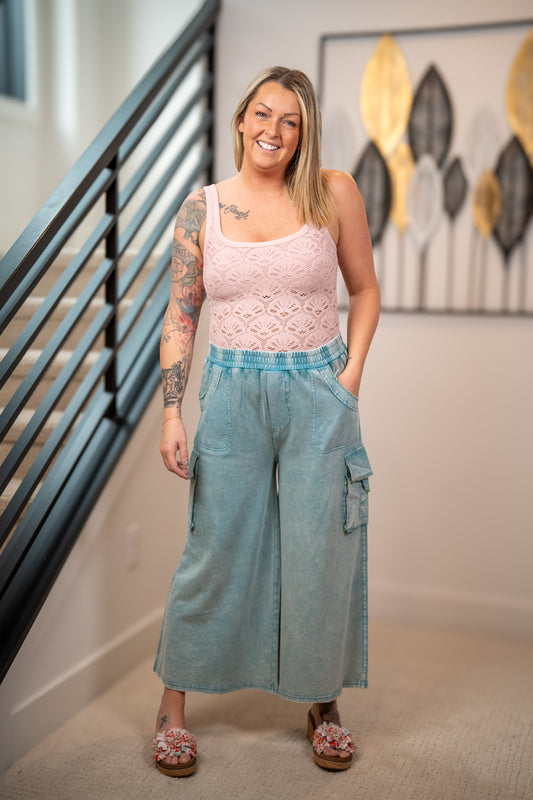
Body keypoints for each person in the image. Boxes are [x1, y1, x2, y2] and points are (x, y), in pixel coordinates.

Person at [151, 66, 380, 777]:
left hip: (317, 390)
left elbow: (366, 292)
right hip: (231, 393)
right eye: (261, 114)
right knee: (213, 548)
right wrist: (171, 412)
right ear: (241, 119)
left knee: (319, 552)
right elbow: (180, 315)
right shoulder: (202, 207)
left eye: (288, 120)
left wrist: (347, 380)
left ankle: (321, 701)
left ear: (303, 131)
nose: (271, 131)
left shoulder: (332, 193)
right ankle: (171, 712)